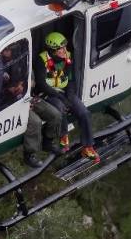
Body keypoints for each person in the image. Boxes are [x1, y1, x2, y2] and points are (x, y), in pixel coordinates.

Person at [35, 32, 100, 164]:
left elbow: (71, 79)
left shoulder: (68, 57)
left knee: (84, 112)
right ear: (52, 50)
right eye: (60, 48)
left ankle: (88, 146)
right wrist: (61, 98)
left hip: (65, 91)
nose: (64, 50)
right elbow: (41, 84)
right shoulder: (42, 59)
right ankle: (63, 136)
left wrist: (69, 96)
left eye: (65, 47)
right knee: (60, 107)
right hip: (49, 93)